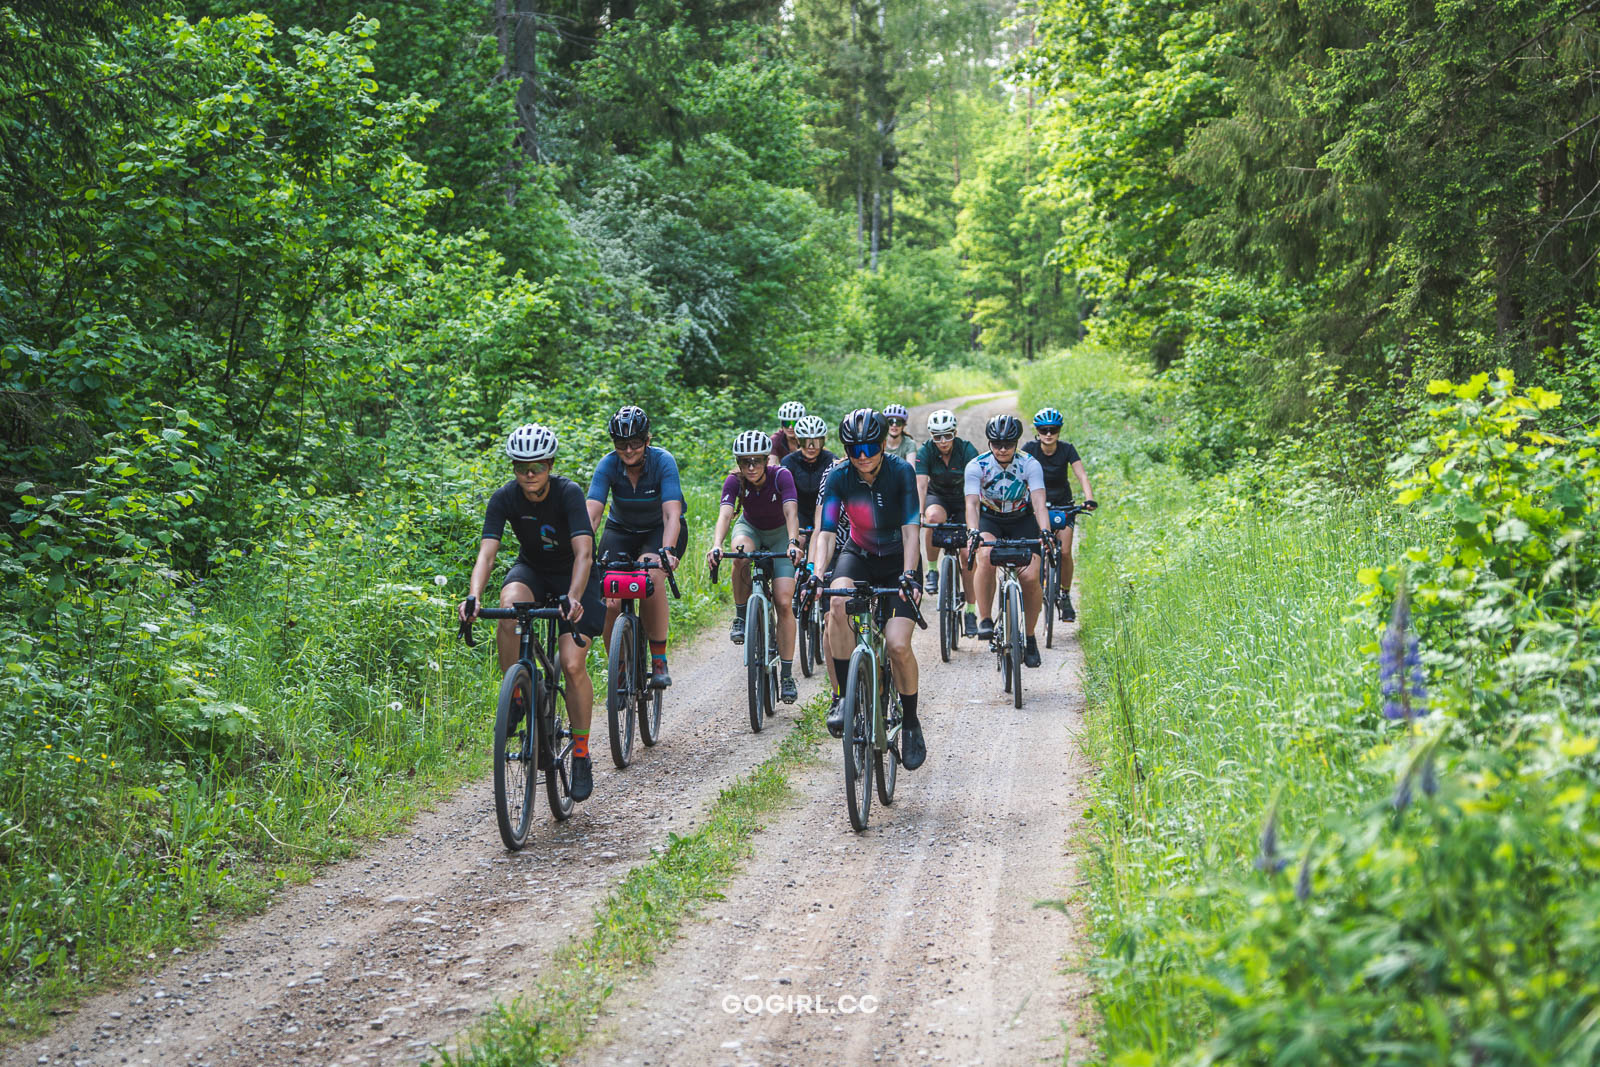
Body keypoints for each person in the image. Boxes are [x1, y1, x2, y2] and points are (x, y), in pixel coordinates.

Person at [460, 424, 603, 801]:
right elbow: (487, 554)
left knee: (572, 664)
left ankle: (581, 753)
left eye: (537, 466)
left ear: (550, 465)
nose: (529, 474)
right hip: (534, 570)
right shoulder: (504, 497)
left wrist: (573, 597)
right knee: (509, 608)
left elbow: (584, 554)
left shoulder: (568, 493)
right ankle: (519, 692)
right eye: (521, 467)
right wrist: (474, 596)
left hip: (575, 575)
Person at [807, 409, 925, 769]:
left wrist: (909, 574)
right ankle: (844, 696)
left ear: (882, 445)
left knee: (898, 644)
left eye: (870, 447)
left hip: (898, 560)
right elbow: (826, 532)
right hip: (858, 553)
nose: (862, 456)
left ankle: (910, 722)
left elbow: (911, 530)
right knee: (837, 606)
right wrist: (816, 574)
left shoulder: (901, 471)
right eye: (854, 449)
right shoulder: (839, 476)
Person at [585, 405, 687, 688]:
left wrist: (667, 551)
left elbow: (671, 514)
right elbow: (592, 515)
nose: (628, 450)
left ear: (647, 441)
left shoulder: (663, 462)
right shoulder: (608, 465)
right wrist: (579, 550)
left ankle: (659, 658)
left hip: (659, 531)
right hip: (621, 530)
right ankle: (618, 666)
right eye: (621, 444)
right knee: (611, 597)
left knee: (649, 576)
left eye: (635, 443)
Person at [707, 430, 806, 704]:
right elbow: (726, 514)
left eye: (757, 461)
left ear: (766, 459)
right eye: (745, 461)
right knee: (740, 554)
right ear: (738, 463)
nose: (751, 467)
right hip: (750, 528)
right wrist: (716, 544)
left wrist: (793, 542)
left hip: (779, 536)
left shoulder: (781, 475)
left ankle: (787, 675)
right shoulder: (734, 481)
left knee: (784, 603)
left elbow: (791, 512)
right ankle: (741, 616)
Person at [963, 413, 1053, 669]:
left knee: (1030, 577)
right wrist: (973, 531)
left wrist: (1045, 531)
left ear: (1016, 443)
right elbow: (972, 504)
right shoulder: (977, 465)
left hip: (1022, 519)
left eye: (1008, 444)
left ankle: (1030, 637)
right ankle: (985, 618)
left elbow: (1039, 502)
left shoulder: (1030, 464)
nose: (1002, 449)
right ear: (989, 443)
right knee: (985, 555)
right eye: (997, 444)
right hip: (990, 519)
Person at [1022, 407, 1097, 621]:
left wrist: (1089, 498)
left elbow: (1081, 475)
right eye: (1043, 430)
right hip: (1037, 506)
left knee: (1064, 552)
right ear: (1037, 431)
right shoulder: (1029, 449)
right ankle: (1032, 589)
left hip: (1063, 506)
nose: (1048, 434)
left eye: (1053, 430)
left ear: (1059, 431)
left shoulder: (1067, 449)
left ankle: (1065, 595)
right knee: (1033, 549)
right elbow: (1019, 473)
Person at [914, 408, 980, 634]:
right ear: (931, 436)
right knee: (932, 518)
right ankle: (932, 570)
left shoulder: (967, 449)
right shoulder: (926, 451)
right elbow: (921, 484)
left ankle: (971, 611)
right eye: (937, 436)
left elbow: (976, 483)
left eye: (948, 435)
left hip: (963, 500)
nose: (943, 441)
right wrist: (919, 513)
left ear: (955, 433)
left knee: (967, 555)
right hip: (938, 497)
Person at [780, 414, 836, 554]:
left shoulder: (831, 460)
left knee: (823, 541)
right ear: (798, 440)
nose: (811, 447)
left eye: (816, 442)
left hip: (823, 509)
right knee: (799, 540)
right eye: (806, 442)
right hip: (799, 510)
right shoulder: (788, 462)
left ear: (823, 442)